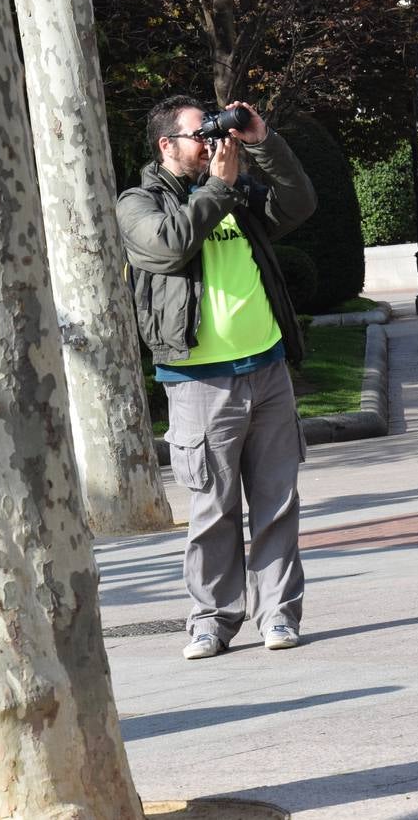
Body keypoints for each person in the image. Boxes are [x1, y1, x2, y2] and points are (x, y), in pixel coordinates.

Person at [118, 96, 316, 660]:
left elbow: (300, 202)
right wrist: (222, 187)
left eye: (212, 131)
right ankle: (212, 619)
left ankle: (278, 614)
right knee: (213, 508)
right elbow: (170, 244)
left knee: (277, 502)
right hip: (199, 380)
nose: (209, 142)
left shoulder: (235, 192)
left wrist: (262, 140)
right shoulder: (138, 204)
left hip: (268, 368)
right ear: (165, 145)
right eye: (196, 134)